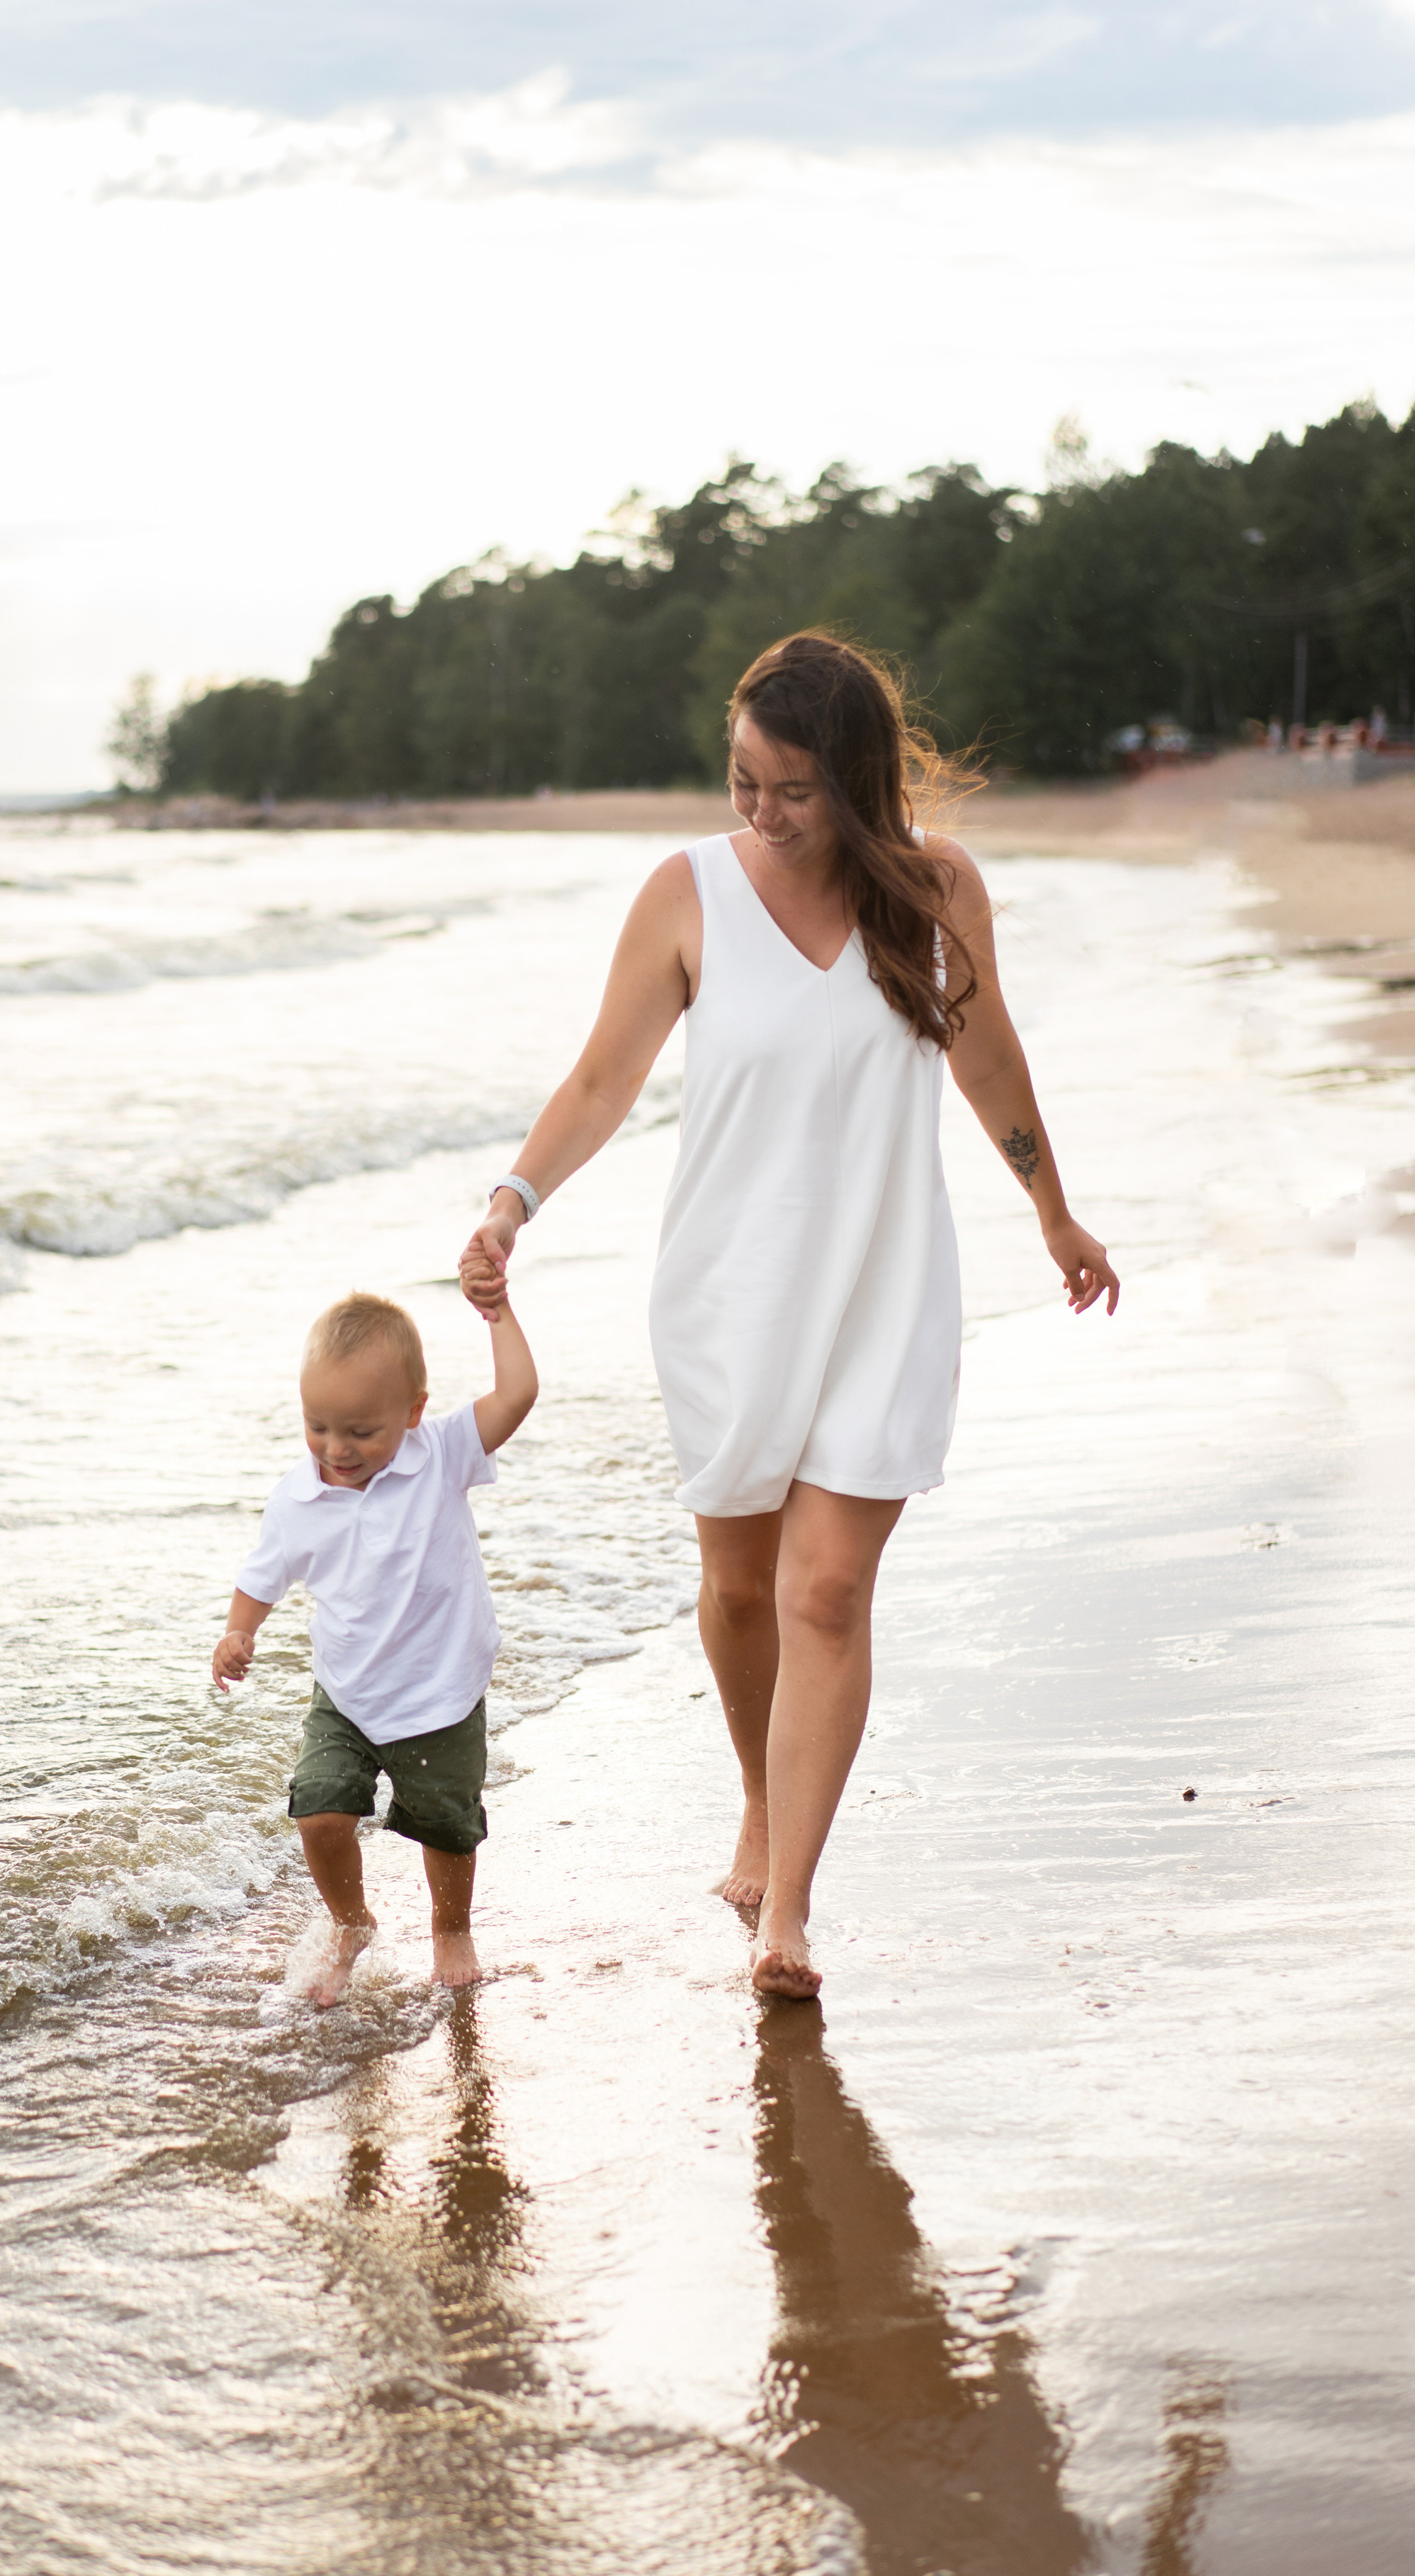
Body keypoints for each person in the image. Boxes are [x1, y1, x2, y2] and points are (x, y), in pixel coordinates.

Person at [460, 631, 1117, 2003]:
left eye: (791, 791)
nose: (759, 812)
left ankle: (789, 1914)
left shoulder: (932, 893)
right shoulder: (685, 892)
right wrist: (515, 1198)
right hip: (726, 1293)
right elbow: (599, 1080)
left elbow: (987, 1054)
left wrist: (1051, 1210)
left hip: (883, 1288)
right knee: (741, 1588)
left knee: (826, 1590)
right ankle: (756, 1795)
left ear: (858, 784)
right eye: (742, 780)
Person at [213, 1288, 537, 2007]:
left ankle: (450, 1928)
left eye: (360, 1430)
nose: (336, 1448)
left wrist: (498, 1313)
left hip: (440, 1689)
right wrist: (240, 1631)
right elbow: (261, 1575)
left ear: (413, 1413)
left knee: (446, 1825)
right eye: (318, 1425)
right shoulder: (297, 1499)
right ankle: (350, 1922)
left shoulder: (444, 1453)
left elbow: (517, 1393)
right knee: (319, 1813)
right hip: (347, 1694)